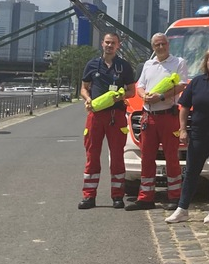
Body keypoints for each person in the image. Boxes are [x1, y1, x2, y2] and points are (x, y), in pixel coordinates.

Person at [166, 49, 209, 225]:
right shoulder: (197, 82)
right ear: (206, 63)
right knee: (191, 172)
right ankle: (182, 209)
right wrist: (183, 130)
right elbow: (183, 106)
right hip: (199, 134)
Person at [126, 33, 189, 211]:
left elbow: (182, 85)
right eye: (156, 45)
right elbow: (139, 86)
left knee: (171, 157)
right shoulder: (148, 64)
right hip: (149, 116)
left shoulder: (178, 62)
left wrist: (161, 96)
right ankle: (145, 197)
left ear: (168, 45)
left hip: (168, 115)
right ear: (153, 47)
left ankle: (175, 197)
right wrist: (144, 95)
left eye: (163, 44)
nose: (160, 47)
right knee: (147, 158)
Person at [78, 32, 137, 210]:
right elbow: (83, 88)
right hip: (96, 116)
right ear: (102, 44)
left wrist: (120, 96)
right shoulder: (92, 65)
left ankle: (117, 196)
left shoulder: (124, 67)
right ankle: (89, 196)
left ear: (118, 46)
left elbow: (132, 92)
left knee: (117, 157)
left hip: (116, 115)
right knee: (92, 155)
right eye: (107, 42)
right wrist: (87, 99)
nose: (109, 46)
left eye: (113, 43)